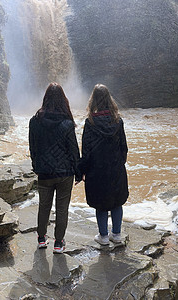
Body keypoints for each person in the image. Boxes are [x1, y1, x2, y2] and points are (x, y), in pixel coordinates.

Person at [28, 82, 81, 254]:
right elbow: (74, 150)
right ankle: (58, 243)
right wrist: (79, 172)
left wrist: (36, 165)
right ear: (63, 100)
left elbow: (33, 147)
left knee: (44, 206)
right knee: (62, 208)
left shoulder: (34, 122)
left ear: (45, 99)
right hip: (65, 173)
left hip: (44, 172)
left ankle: (42, 238)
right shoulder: (67, 123)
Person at [79, 84, 129, 246]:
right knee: (117, 201)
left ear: (93, 100)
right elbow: (124, 147)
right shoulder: (118, 121)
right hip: (115, 168)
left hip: (96, 170)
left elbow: (86, 151)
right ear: (109, 100)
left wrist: (82, 171)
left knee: (101, 204)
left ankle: (104, 237)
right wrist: (119, 164)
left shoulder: (90, 122)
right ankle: (117, 234)